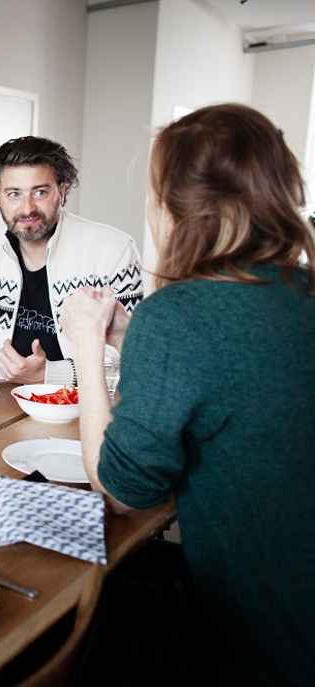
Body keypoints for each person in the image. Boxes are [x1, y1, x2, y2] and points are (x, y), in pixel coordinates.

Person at [60, 104, 315, 685]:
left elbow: (122, 489)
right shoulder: (300, 289)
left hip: (266, 628)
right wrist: (128, 336)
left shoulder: (180, 314)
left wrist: (83, 349)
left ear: (177, 206)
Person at [0, 137, 143, 385]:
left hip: (83, 406)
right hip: (7, 399)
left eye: (40, 192)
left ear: (62, 190)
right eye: (14, 194)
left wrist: (49, 375)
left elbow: (132, 358)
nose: (27, 208)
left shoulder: (113, 250)